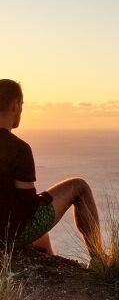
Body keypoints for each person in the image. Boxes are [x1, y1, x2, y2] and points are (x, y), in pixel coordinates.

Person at [0, 79, 103, 257]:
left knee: (42, 237)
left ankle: (49, 260)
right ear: (15, 105)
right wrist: (45, 198)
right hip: (9, 235)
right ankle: (99, 259)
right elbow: (27, 208)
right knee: (79, 186)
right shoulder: (19, 149)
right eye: (22, 105)